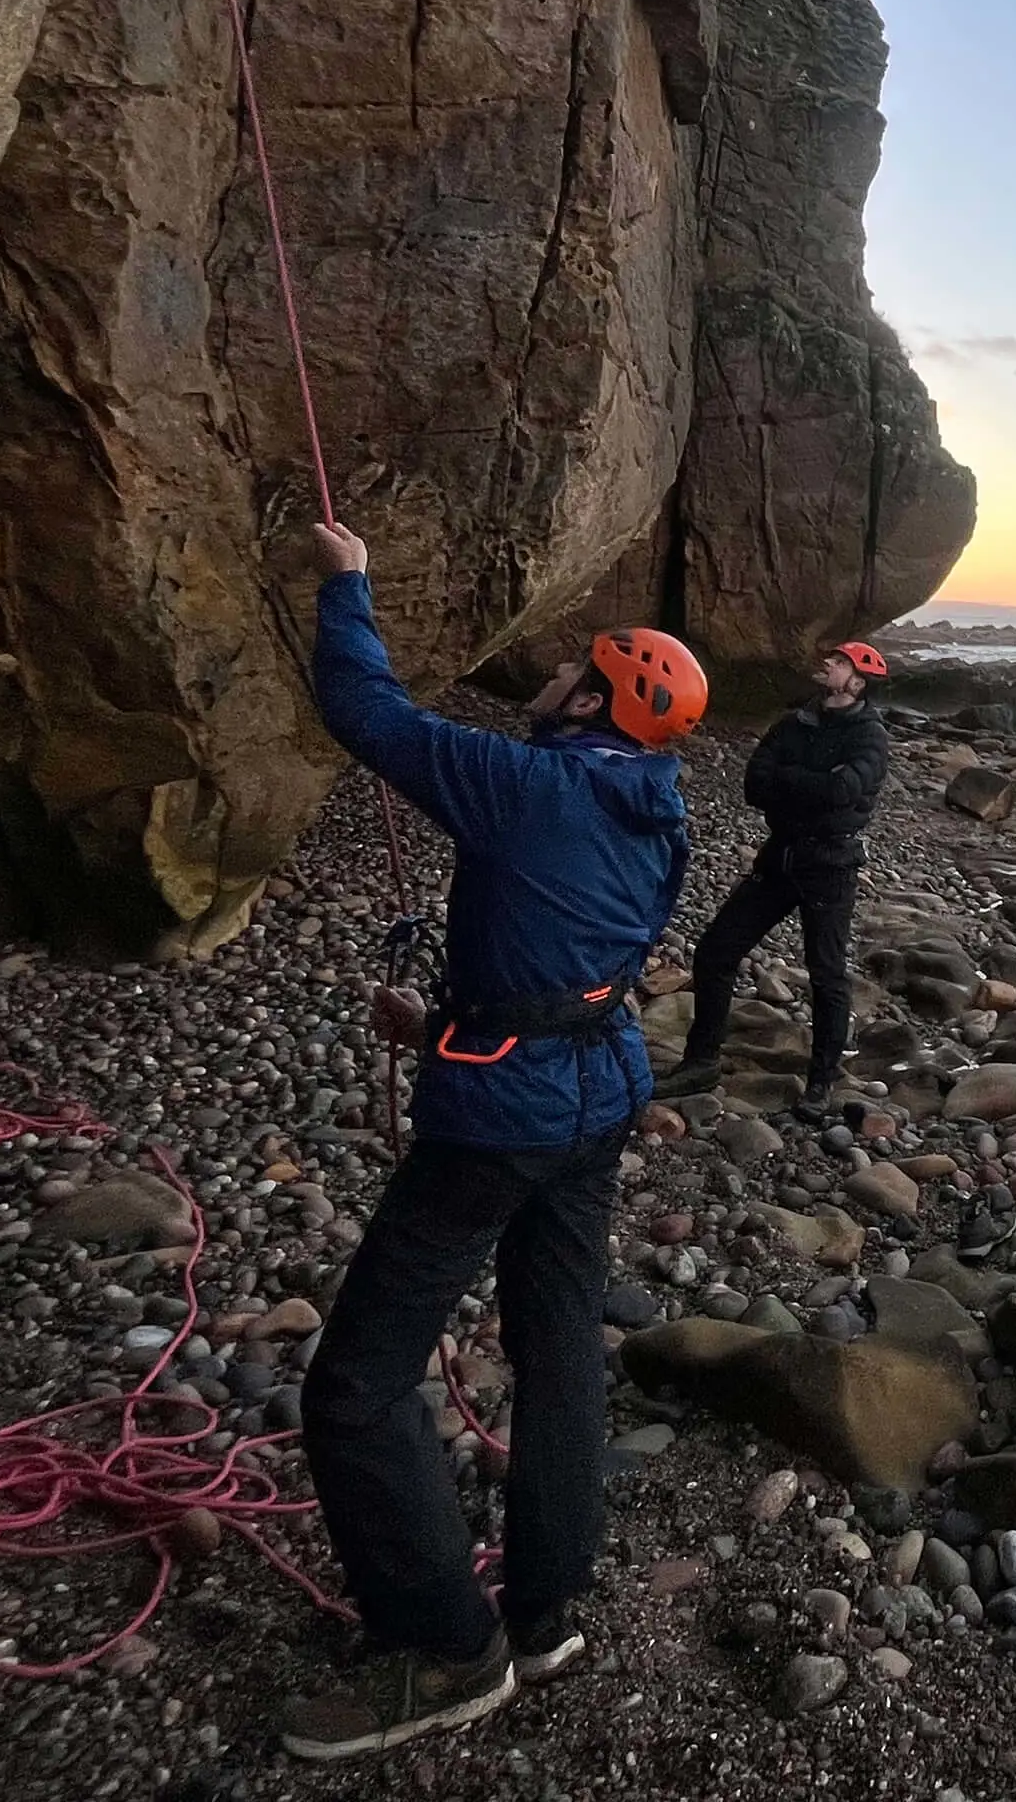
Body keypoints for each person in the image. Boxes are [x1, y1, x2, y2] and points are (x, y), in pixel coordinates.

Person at [282, 524, 703, 1762]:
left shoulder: (530, 786)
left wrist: (348, 578)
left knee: (355, 1387)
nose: (555, 676)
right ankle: (544, 1611)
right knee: (560, 1343)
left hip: (505, 1118)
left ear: (598, 698)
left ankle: (448, 1648)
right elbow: (570, 954)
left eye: (577, 668)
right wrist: (442, 1019)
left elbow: (366, 709)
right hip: (595, 1092)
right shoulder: (658, 807)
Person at [655, 641, 891, 1115]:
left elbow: (844, 789)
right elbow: (754, 784)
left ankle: (821, 1082)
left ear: (858, 683)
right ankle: (701, 1061)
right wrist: (814, 785)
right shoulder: (794, 721)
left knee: (826, 975)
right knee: (716, 950)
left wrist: (793, 781)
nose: (828, 663)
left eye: (840, 662)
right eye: (833, 658)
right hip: (779, 858)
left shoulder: (870, 735)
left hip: (830, 867)